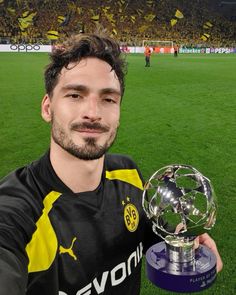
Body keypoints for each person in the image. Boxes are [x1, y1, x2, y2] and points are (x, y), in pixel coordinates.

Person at [0, 33, 222, 295]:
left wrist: (185, 241)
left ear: (119, 112)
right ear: (47, 108)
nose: (93, 113)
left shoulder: (128, 174)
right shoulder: (18, 211)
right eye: (74, 95)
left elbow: (152, 237)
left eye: (108, 99)